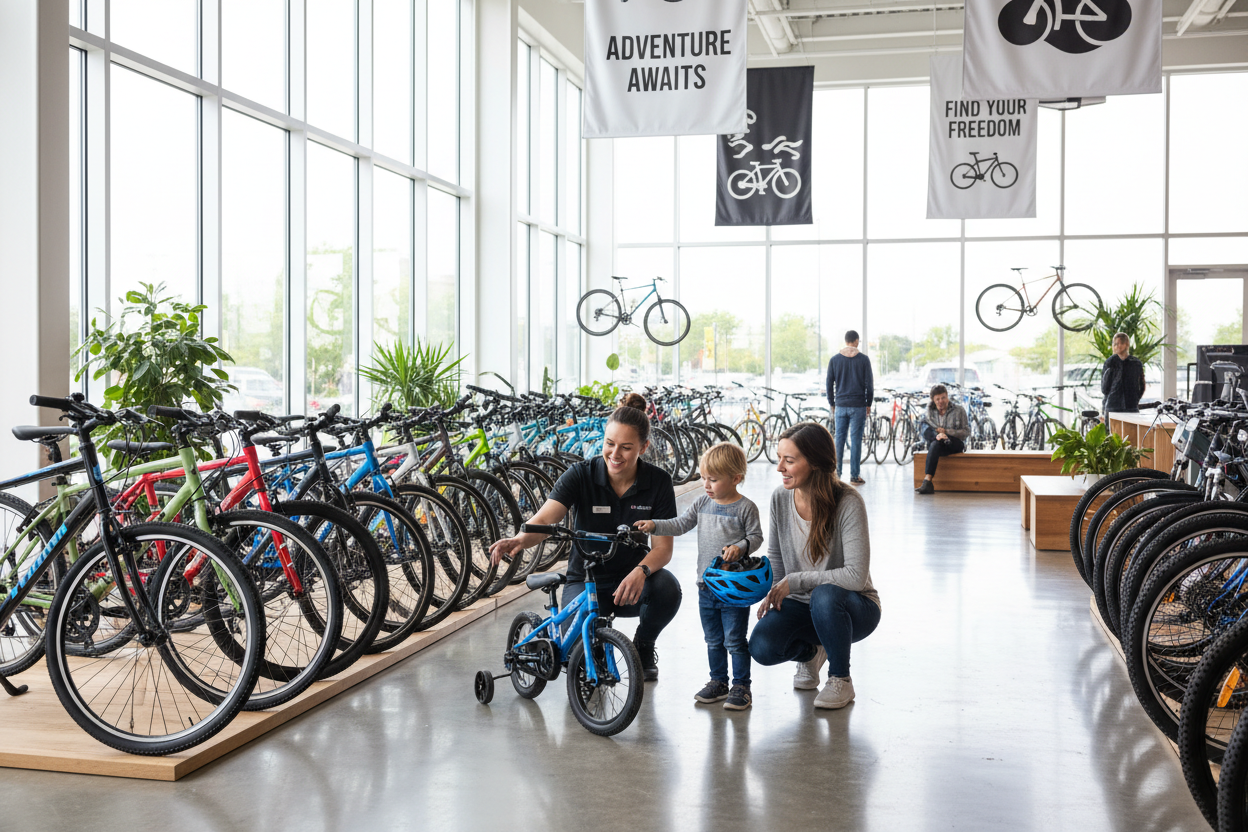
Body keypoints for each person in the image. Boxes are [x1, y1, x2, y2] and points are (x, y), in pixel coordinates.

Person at [488, 402, 680, 681]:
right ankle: (595, 647)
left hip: (633, 581)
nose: (615, 454)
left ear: (644, 447)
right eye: (609, 443)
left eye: (626, 447)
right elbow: (545, 519)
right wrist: (518, 540)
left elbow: (663, 548)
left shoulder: (658, 482)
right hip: (585, 580)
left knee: (668, 589)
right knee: (579, 657)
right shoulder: (581, 474)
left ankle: (644, 645)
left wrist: (641, 571)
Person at [748, 423, 881, 710]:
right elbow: (777, 556)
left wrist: (794, 582)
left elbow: (856, 577)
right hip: (801, 605)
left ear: (816, 463)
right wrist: (774, 593)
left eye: (790, 460)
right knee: (760, 646)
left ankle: (840, 678)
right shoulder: (780, 498)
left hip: (852, 607)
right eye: (779, 457)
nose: (780, 467)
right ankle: (811, 652)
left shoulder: (848, 501)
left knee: (825, 595)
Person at [635, 443, 764, 711]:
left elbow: (756, 537)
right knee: (713, 639)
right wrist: (655, 525)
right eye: (704, 477)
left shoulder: (745, 508)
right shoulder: (703, 502)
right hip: (706, 586)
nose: (706, 484)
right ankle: (718, 681)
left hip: (733, 587)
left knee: (735, 640)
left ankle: (742, 685)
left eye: (713, 480)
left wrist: (740, 546)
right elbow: (681, 524)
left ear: (736, 478)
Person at [826, 330, 874, 486]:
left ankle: (836, 475)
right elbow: (869, 384)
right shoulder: (864, 360)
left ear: (846, 341)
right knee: (856, 440)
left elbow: (829, 384)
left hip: (840, 405)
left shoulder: (834, 360)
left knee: (838, 440)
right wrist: (869, 403)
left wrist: (832, 403)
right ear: (856, 341)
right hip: (859, 405)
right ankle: (854, 475)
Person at [915, 384, 969, 495]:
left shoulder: (959, 410)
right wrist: (937, 435)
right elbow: (923, 428)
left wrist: (946, 432)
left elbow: (966, 432)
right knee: (935, 442)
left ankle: (927, 482)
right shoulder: (929, 411)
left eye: (943, 398)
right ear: (933, 400)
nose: (941, 401)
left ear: (947, 396)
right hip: (937, 442)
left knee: (936, 443)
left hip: (954, 443)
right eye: (937, 399)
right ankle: (927, 481)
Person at [1101, 332, 1145, 417]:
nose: (1118, 346)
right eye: (1116, 344)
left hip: (1131, 407)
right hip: (1113, 406)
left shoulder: (1136, 363)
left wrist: (1135, 399)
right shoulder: (1110, 362)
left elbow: (1141, 385)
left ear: (1127, 344)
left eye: (1121, 343)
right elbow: (1104, 388)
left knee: (1132, 430)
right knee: (1113, 430)